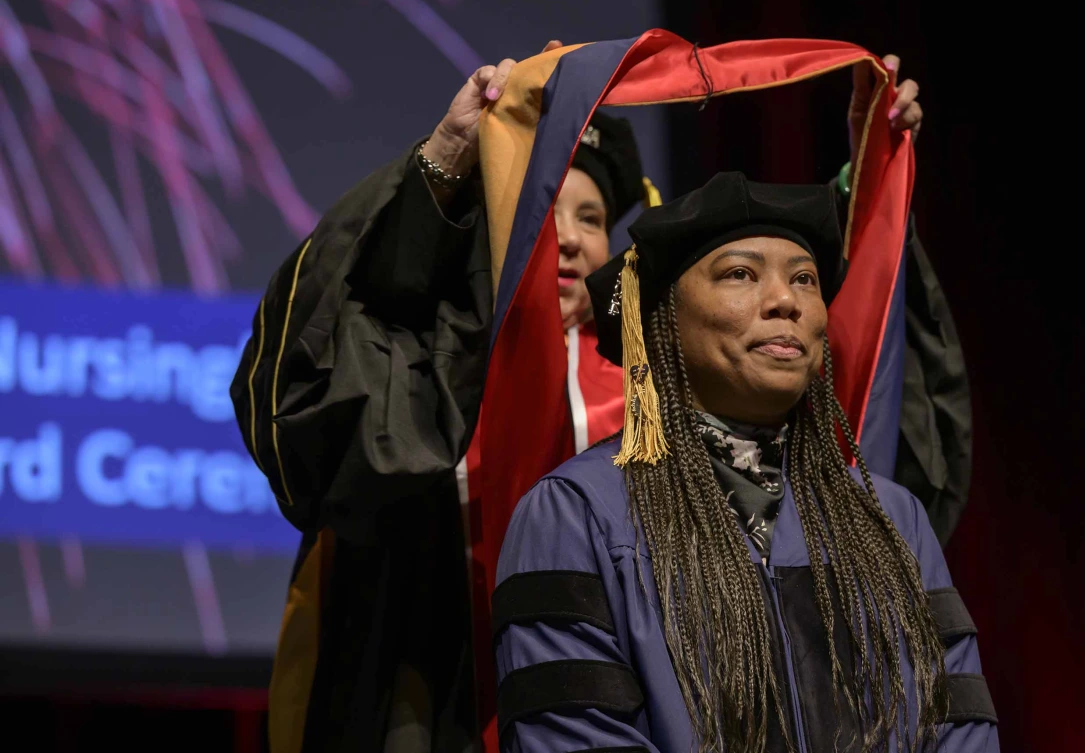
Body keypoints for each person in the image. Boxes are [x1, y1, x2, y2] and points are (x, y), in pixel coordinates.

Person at [230, 37, 957, 752]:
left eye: (592, 219)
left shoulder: (675, 394)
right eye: (548, 213)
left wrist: (864, 198)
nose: (571, 240)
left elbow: (857, 433)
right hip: (439, 704)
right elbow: (317, 399)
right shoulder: (434, 373)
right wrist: (445, 163)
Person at [492, 173, 998, 752]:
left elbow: (959, 727)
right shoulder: (577, 515)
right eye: (740, 274)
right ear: (664, 322)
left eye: (804, 279)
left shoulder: (890, 517)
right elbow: (573, 735)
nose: (786, 300)